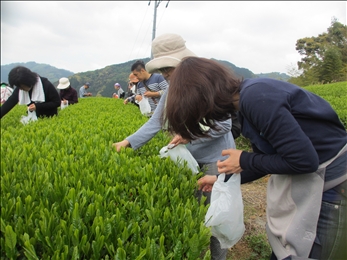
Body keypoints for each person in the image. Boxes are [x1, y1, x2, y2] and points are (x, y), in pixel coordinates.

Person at [163, 57, 347, 260]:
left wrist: (244, 160)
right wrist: (221, 180)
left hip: (332, 188)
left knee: (313, 252)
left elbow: (304, 161)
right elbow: (269, 160)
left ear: (203, 97)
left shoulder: (255, 98)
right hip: (317, 181)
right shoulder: (245, 105)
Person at [113, 33, 238, 260]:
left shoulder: (205, 83)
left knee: (215, 214)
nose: (167, 74)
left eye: (169, 68)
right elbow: (155, 121)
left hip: (217, 157)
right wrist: (128, 142)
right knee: (195, 211)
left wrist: (189, 136)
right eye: (163, 70)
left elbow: (225, 124)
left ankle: (218, 257)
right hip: (191, 157)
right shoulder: (172, 88)